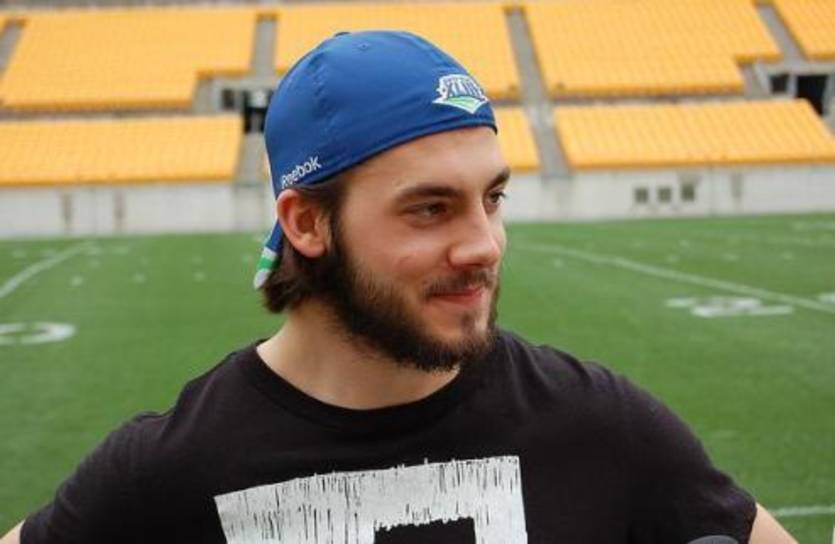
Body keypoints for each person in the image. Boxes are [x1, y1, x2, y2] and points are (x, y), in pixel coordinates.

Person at [2, 30, 796, 544]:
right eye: (429, 208)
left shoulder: (597, 424)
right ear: (306, 222)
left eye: (492, 198)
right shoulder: (167, 471)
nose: (484, 245)